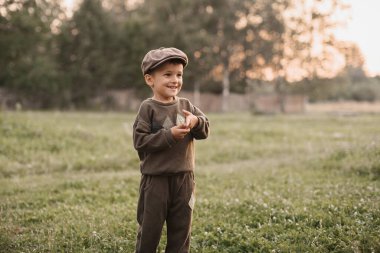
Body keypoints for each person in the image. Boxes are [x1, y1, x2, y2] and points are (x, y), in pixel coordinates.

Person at [133, 47, 209, 252]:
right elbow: (140, 141)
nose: (175, 80)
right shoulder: (148, 108)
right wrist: (170, 135)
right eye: (167, 74)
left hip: (184, 180)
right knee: (150, 230)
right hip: (156, 181)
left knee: (181, 231)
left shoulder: (186, 105)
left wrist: (195, 121)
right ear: (150, 79)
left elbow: (205, 129)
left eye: (179, 75)